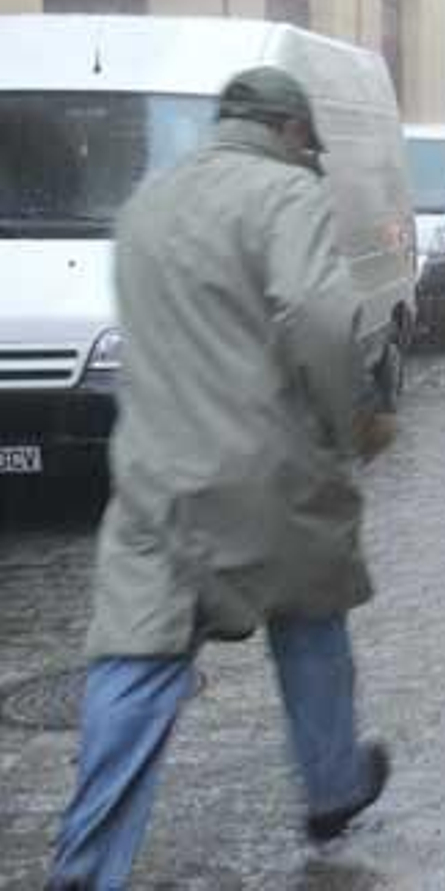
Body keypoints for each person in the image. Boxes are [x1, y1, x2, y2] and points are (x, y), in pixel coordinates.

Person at [47, 68, 394, 891]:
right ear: (287, 129)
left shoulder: (148, 203)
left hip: (155, 477)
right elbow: (319, 316)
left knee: (135, 661)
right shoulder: (284, 194)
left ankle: (87, 868)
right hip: (267, 471)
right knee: (311, 616)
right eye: (309, 141)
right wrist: (356, 422)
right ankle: (332, 783)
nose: (310, 155)